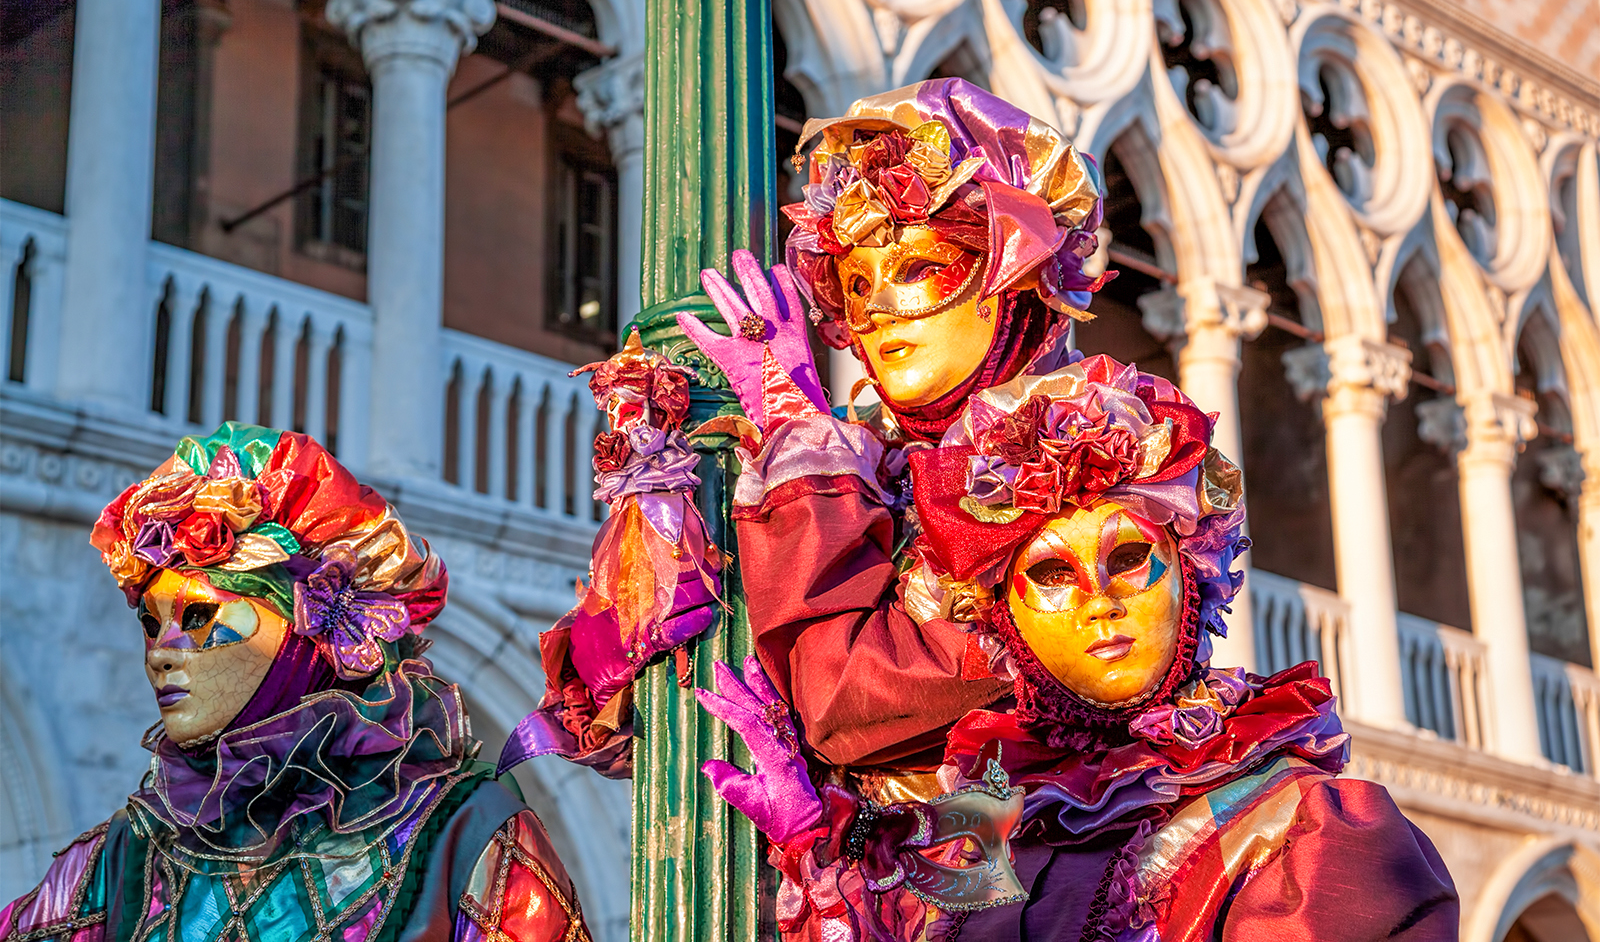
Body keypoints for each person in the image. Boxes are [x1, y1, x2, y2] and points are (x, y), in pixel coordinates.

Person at [696, 355, 1460, 941]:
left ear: (1191, 581)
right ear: (1004, 622)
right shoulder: (985, 837)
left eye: (1129, 559)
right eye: (1053, 574)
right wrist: (818, 859)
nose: (1101, 603)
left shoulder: (1307, 831)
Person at [0, 424, 591, 942]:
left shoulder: (464, 836)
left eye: (200, 617)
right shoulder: (126, 859)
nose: (161, 653)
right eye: (151, 624)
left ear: (301, 632)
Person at [676, 78, 1109, 775]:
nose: (874, 308)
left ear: (1013, 280)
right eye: (854, 283)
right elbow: (616, 709)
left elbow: (848, 702)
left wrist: (806, 452)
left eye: (916, 268)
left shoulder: (1097, 458)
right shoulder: (870, 461)